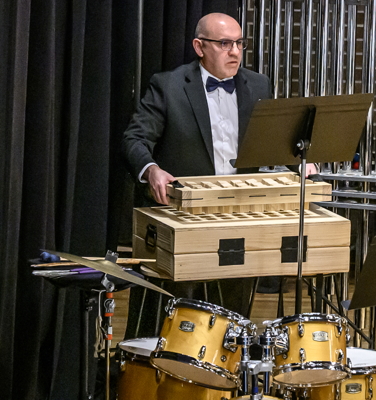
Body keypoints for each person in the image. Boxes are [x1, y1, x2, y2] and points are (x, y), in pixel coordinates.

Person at [121, 14, 309, 333]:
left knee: (231, 316)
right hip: (183, 216)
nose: (234, 51)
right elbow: (134, 139)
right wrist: (151, 170)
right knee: (175, 319)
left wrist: (301, 162)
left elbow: (273, 139)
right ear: (200, 47)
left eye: (239, 43)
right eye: (224, 43)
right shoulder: (168, 85)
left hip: (239, 214)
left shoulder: (258, 85)